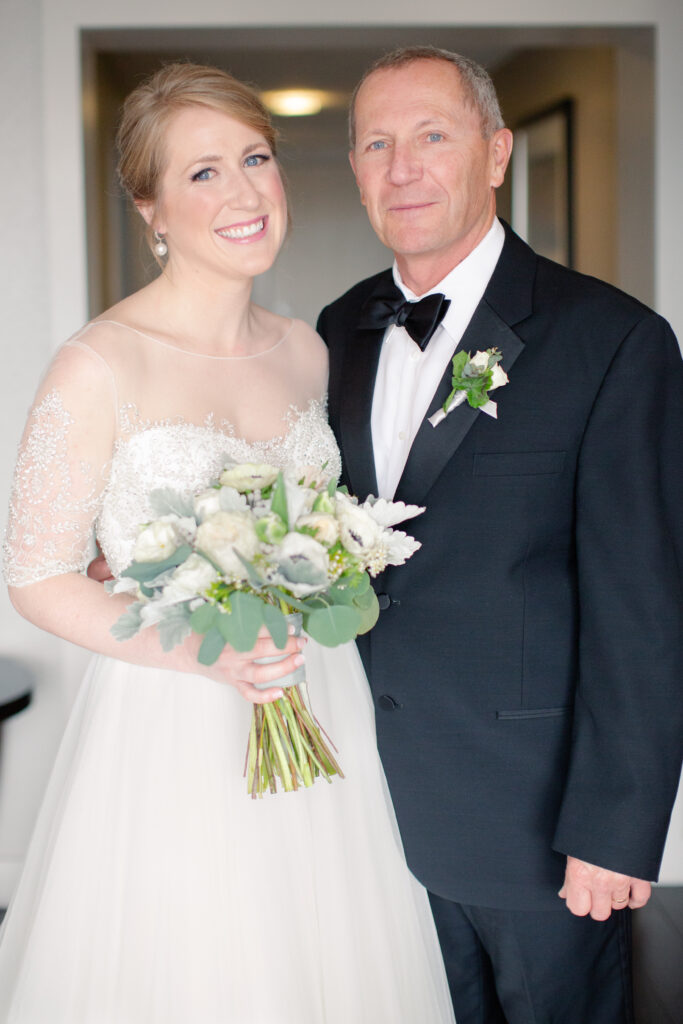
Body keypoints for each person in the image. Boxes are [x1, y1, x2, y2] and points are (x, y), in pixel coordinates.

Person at [0, 63, 455, 1023]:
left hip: (316, 701)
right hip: (171, 724)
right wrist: (208, 655)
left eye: (255, 158)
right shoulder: (98, 364)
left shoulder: (309, 350)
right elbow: (37, 576)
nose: (244, 192)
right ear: (150, 207)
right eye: (202, 173)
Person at [317, 46, 683, 1024]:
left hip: (534, 828)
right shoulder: (336, 328)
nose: (401, 167)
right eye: (376, 143)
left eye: (430, 136)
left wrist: (615, 825)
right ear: (353, 169)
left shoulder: (612, 341)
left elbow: (641, 607)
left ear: (494, 153)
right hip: (360, 810)